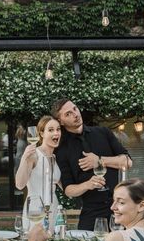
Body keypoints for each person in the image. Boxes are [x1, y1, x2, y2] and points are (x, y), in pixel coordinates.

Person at [52, 98, 131, 231]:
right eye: (68, 114)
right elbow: (68, 190)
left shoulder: (103, 132)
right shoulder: (61, 149)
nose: (75, 114)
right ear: (61, 121)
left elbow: (127, 161)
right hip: (91, 213)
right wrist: (88, 185)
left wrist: (100, 161)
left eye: (75, 109)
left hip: (121, 209)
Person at [15, 115, 61, 232]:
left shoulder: (55, 157)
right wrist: (25, 158)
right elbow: (19, 184)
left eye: (58, 129)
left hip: (53, 208)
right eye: (50, 130)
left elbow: (66, 188)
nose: (56, 133)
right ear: (41, 133)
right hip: (35, 211)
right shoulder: (34, 155)